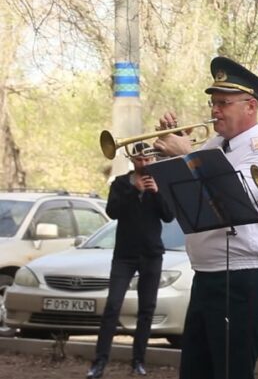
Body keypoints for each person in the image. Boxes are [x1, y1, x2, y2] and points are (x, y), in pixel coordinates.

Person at [152, 57, 258, 379]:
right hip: (206, 273)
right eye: (214, 103)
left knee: (230, 370)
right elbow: (182, 200)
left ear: (250, 106)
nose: (215, 111)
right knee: (196, 370)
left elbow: (229, 200)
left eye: (224, 103)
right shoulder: (213, 145)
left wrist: (184, 156)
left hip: (242, 275)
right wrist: (167, 157)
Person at [86, 142, 175, 379]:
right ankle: (99, 362)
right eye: (139, 160)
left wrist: (156, 193)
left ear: (153, 160)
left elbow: (168, 216)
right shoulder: (120, 183)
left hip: (151, 254)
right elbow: (112, 212)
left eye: (147, 160)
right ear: (132, 160)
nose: (144, 164)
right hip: (124, 255)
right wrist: (133, 190)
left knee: (146, 309)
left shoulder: (160, 183)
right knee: (113, 306)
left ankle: (138, 361)